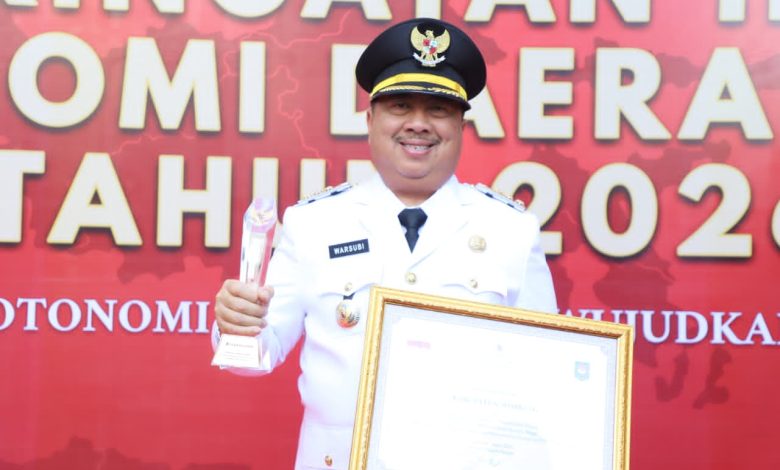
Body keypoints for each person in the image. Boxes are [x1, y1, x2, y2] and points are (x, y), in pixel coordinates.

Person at [213, 17, 557, 470]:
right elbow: (255, 356)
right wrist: (239, 323)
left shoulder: (511, 231)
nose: (418, 124)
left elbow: (546, 374)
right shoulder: (313, 224)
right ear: (371, 119)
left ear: (460, 125)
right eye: (400, 106)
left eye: (438, 110)